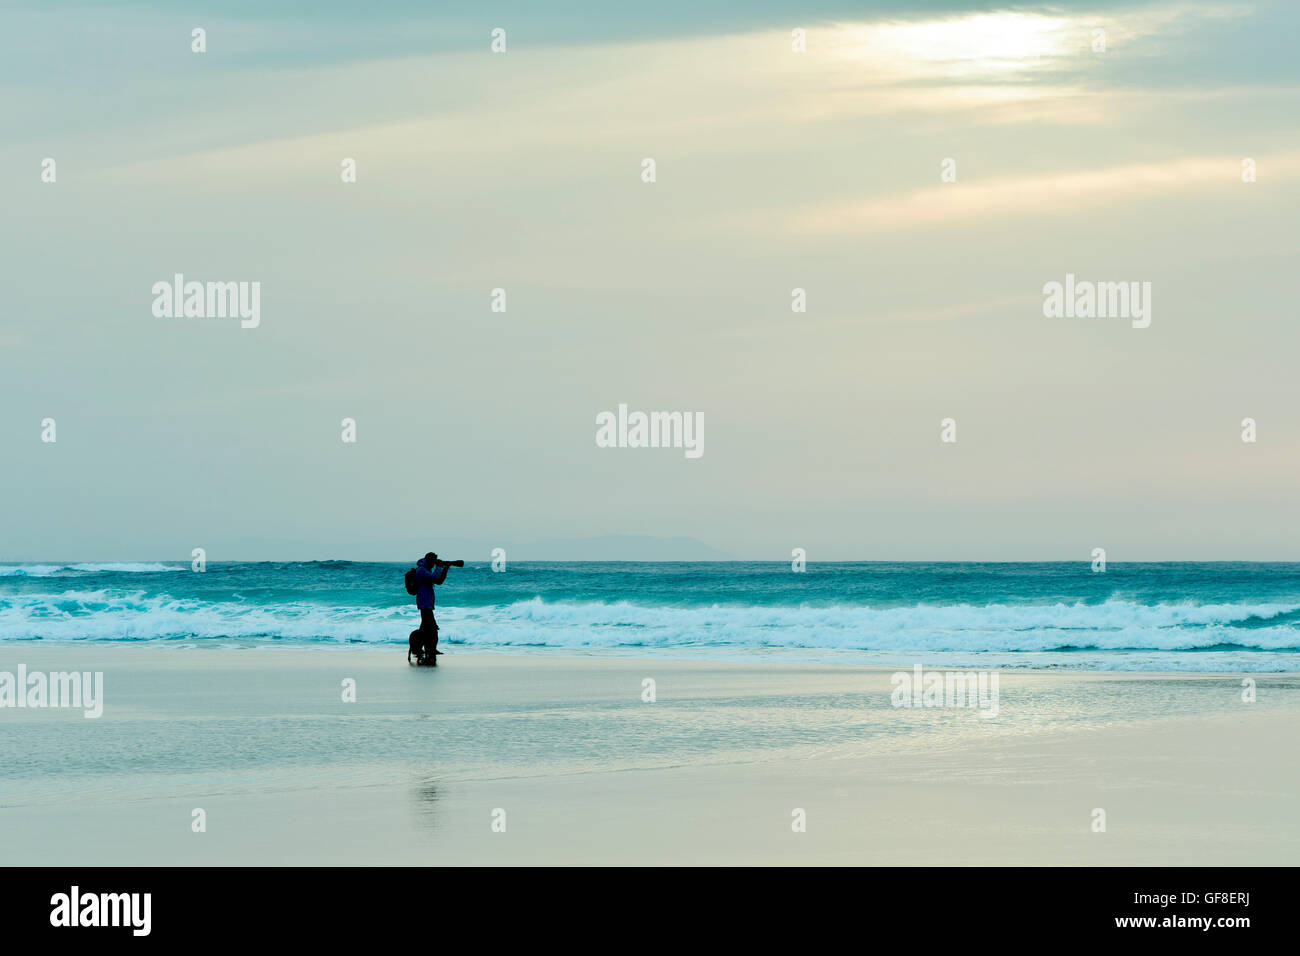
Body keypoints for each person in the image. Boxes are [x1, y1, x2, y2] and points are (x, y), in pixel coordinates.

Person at [413, 552, 461, 664]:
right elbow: (435, 577)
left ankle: (425, 648)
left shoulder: (426, 569)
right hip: (424, 603)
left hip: (427, 602)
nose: (434, 563)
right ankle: (426, 648)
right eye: (433, 561)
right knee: (431, 628)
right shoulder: (422, 570)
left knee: (426, 627)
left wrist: (445, 569)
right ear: (428, 560)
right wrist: (440, 567)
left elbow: (439, 581)